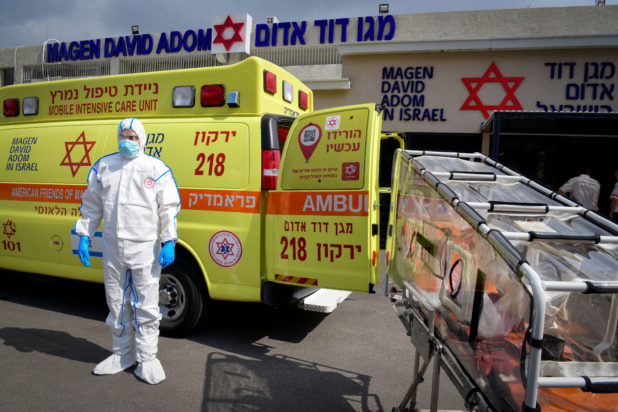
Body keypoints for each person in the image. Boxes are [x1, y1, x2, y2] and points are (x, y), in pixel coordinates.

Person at [74, 118, 180, 384]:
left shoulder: (155, 168)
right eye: (123, 136)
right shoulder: (104, 166)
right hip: (113, 246)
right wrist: (85, 235)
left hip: (144, 246)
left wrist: (168, 240)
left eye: (132, 137)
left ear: (141, 139)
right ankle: (122, 354)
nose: (127, 141)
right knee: (116, 302)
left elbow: (168, 207)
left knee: (146, 303)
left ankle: (147, 358)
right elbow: (92, 204)